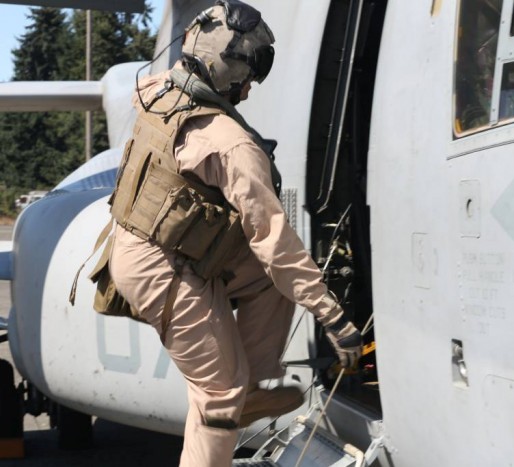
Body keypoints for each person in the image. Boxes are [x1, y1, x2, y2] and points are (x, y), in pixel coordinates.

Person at [106, 1, 362, 466]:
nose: (248, 88)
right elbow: (275, 241)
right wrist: (333, 318)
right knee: (219, 397)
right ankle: (232, 401)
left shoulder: (157, 90)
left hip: (150, 244)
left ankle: (251, 389)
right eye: (248, 77)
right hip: (160, 267)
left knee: (268, 279)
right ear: (228, 72)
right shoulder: (231, 145)